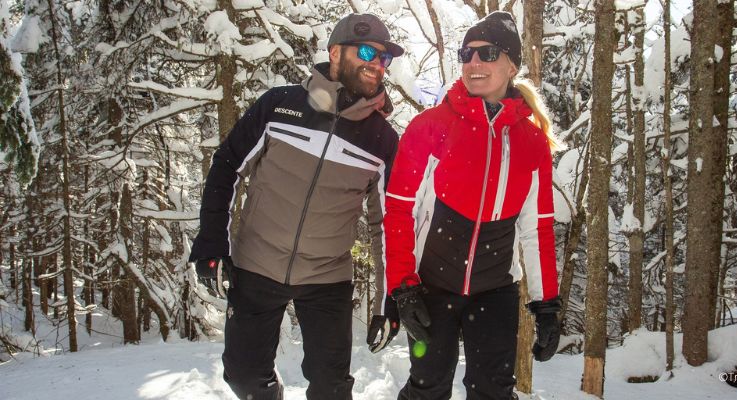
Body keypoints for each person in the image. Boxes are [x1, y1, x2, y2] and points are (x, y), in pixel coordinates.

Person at [188, 13, 404, 400]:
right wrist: (211, 244)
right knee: (244, 379)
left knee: (331, 388)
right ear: (335, 51)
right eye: (368, 51)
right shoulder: (279, 106)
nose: (376, 63)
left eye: (384, 58)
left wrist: (387, 301)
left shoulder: (382, 141)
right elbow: (227, 167)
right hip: (257, 265)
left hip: (327, 278)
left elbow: (386, 224)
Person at [382, 11, 562, 400]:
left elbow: (537, 228)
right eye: (467, 54)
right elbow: (399, 210)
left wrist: (546, 305)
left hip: (494, 290)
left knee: (494, 392)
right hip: (432, 288)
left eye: (488, 53)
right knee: (427, 388)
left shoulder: (531, 142)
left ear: (512, 65)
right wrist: (402, 288)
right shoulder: (430, 126)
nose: (474, 63)